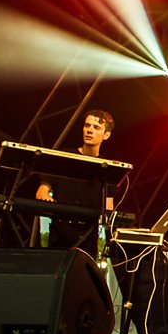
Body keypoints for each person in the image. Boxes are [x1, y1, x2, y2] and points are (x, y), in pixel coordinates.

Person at [35, 109, 116, 259]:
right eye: (87, 125)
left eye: (96, 127)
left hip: (89, 237)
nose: (90, 130)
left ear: (106, 135)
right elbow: (41, 192)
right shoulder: (64, 157)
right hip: (59, 235)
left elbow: (109, 209)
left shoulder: (108, 168)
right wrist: (53, 206)